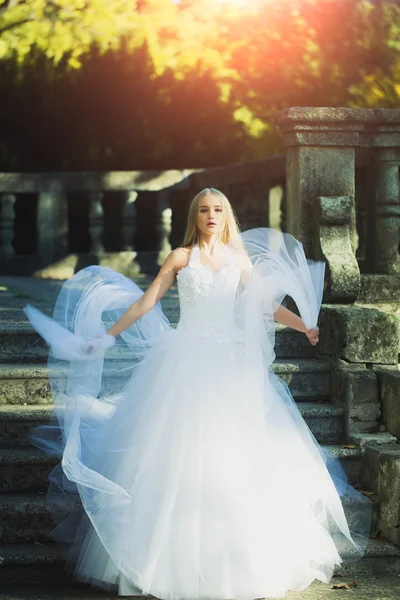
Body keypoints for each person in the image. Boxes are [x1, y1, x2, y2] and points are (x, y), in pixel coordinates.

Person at [25, 188, 372, 599]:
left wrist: (303, 326)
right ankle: (159, 562)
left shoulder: (240, 261)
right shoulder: (180, 257)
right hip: (183, 361)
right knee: (172, 453)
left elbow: (265, 306)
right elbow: (146, 302)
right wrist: (107, 335)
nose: (211, 215)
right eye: (204, 210)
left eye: (218, 209)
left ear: (227, 216)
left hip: (227, 366)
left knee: (232, 453)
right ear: (195, 216)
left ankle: (237, 557)